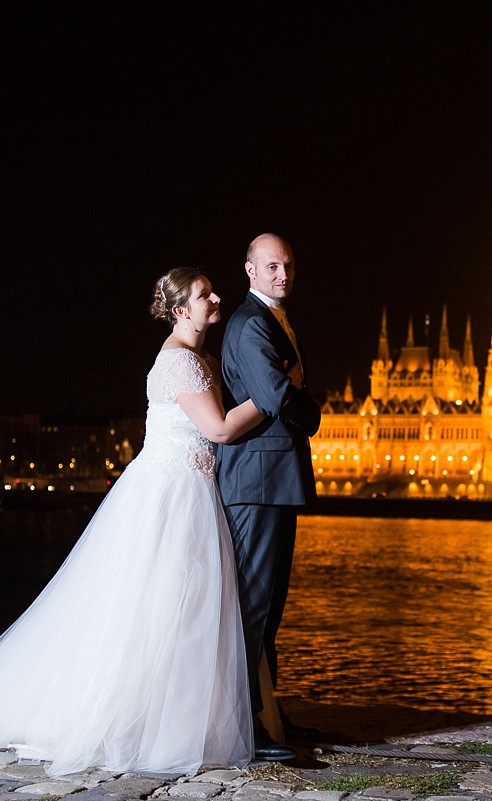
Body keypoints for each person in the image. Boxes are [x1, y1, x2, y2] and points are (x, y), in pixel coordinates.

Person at [0, 268, 270, 776]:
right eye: (203, 294)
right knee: (161, 605)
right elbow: (216, 428)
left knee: (165, 607)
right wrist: (267, 397)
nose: (216, 297)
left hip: (182, 491)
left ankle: (165, 714)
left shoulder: (194, 359)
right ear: (180, 311)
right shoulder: (180, 363)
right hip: (173, 495)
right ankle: (141, 718)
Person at [217, 233, 321, 761]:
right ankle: (247, 728)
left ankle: (269, 713)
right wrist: (312, 411)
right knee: (253, 608)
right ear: (250, 271)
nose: (283, 274)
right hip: (256, 483)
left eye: (289, 265)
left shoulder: (270, 320)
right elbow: (279, 396)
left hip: (272, 480)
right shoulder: (251, 323)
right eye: (272, 266)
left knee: (270, 607)